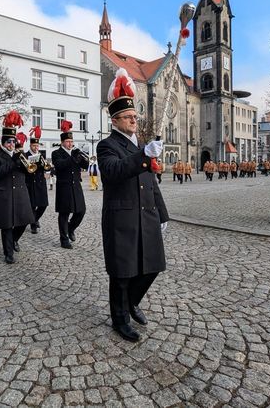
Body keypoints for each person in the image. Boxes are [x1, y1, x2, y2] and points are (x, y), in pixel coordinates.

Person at [97, 68, 169, 342]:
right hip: (122, 216)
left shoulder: (140, 144)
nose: (134, 121)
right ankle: (120, 319)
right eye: (128, 118)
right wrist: (143, 155)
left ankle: (131, 302)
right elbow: (113, 171)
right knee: (123, 271)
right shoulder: (107, 146)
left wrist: (162, 212)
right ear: (115, 120)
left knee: (152, 265)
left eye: (135, 117)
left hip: (146, 212)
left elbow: (150, 181)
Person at [0, 112, 35, 263]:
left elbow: (27, 172)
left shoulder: (19, 154)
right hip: (5, 194)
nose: (11, 145)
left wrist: (26, 164)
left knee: (24, 221)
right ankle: (8, 253)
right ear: (3, 142)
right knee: (7, 226)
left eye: (13, 142)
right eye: (8, 142)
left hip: (21, 192)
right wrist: (13, 162)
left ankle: (14, 240)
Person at [52, 120, 89, 249]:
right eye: (68, 142)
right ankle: (64, 239)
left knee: (81, 211)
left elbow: (85, 166)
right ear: (62, 142)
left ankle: (70, 228)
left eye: (71, 142)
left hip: (76, 186)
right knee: (64, 213)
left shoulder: (75, 152)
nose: (70, 144)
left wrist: (84, 159)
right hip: (64, 187)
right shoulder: (56, 153)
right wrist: (72, 158)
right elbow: (59, 165)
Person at [24, 126, 49, 233]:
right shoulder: (26, 155)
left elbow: (46, 168)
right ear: (30, 145)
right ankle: (33, 225)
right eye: (34, 145)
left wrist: (45, 166)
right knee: (33, 205)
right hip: (30, 183)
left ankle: (35, 219)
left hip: (40, 183)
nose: (36, 147)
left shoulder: (41, 155)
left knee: (43, 205)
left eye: (37, 145)